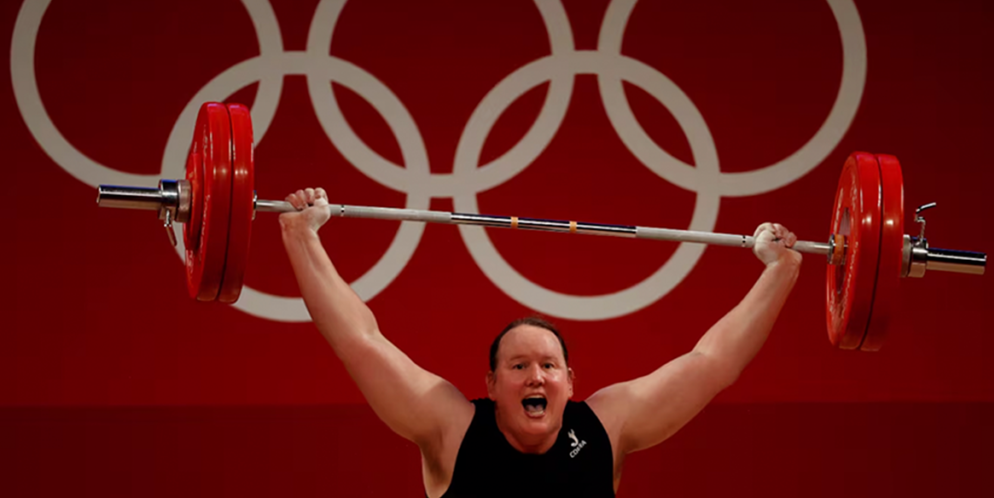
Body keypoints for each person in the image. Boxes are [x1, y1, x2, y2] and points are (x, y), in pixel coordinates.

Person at [280, 187, 802, 497]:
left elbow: (712, 362)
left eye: (549, 366)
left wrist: (780, 272)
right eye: (519, 366)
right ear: (490, 385)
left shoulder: (607, 427)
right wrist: (302, 236)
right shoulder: (451, 429)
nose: (536, 377)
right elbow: (360, 341)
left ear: (570, 382)